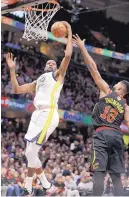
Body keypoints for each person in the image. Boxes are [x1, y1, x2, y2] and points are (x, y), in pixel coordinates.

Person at [6, 21, 72, 196]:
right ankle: (38, 185)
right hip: (37, 114)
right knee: (29, 151)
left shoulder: (57, 76)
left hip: (49, 113)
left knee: (30, 151)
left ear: (56, 68)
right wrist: (12, 70)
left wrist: (69, 33)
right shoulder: (39, 80)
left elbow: (67, 56)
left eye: (53, 63)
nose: (50, 64)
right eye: (48, 63)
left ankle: (37, 183)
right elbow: (16, 90)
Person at [73, 34, 129, 196]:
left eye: (117, 83)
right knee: (116, 176)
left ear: (120, 89)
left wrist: (82, 48)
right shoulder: (126, 106)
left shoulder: (106, 91)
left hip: (102, 134)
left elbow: (92, 67)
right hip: (117, 137)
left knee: (99, 173)